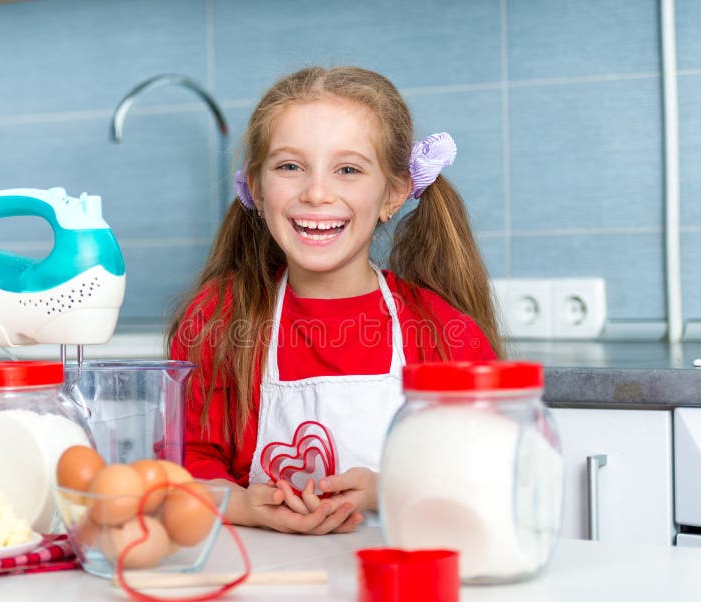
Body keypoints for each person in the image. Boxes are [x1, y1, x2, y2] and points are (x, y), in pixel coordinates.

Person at [167, 66, 501, 535]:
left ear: (394, 192)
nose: (317, 192)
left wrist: (391, 488)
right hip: (262, 590)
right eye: (290, 166)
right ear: (258, 190)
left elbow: (490, 474)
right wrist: (242, 506)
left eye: (348, 170)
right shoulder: (218, 321)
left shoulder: (445, 334)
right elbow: (183, 468)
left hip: (401, 587)